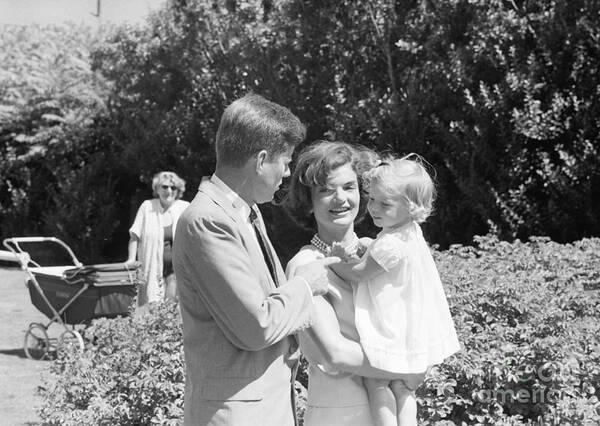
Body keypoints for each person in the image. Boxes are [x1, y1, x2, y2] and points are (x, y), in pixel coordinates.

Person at [172, 94, 339, 426]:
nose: (288, 172)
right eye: (286, 160)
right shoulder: (208, 221)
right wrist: (305, 285)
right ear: (261, 160)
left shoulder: (245, 211)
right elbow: (257, 326)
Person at [285, 141, 415, 426]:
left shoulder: (379, 252)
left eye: (349, 187)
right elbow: (335, 353)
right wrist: (406, 366)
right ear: (308, 201)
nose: (340, 198)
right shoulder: (306, 265)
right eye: (326, 190)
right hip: (339, 414)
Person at [325, 154, 461, 426]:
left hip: (391, 327)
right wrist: (367, 247)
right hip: (409, 326)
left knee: (377, 383)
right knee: (404, 388)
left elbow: (360, 274)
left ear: (411, 208)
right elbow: (384, 258)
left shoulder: (391, 244)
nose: (374, 208)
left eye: (384, 203)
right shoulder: (407, 232)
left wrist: (333, 262)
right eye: (372, 199)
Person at [126, 171, 189, 307]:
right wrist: (131, 259)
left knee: (171, 305)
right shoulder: (147, 207)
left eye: (173, 188)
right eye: (165, 187)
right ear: (157, 189)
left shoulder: (185, 208)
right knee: (152, 305)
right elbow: (134, 235)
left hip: (176, 271)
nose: (169, 191)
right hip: (152, 268)